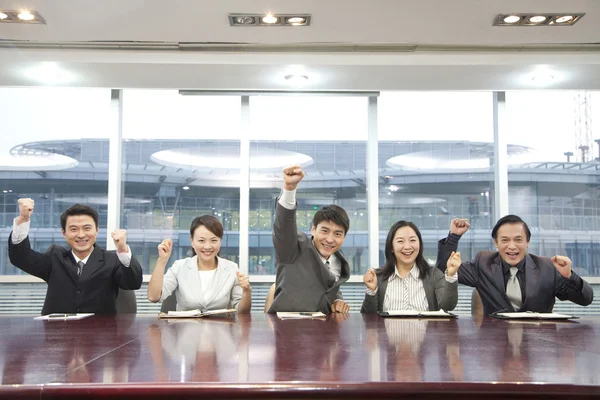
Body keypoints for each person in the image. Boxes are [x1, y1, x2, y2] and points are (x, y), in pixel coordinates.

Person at [436, 215, 594, 315]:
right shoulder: (483, 263)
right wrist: (454, 237)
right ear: (496, 243)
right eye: (505, 240)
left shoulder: (547, 267)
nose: (512, 246)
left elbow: (585, 299)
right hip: (494, 344)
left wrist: (569, 276)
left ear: (527, 243)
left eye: (518, 240)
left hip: (539, 345)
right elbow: (444, 270)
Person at [8, 198, 143, 315]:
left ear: (96, 231)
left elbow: (133, 282)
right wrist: (23, 220)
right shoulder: (55, 257)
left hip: (100, 337)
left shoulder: (112, 259)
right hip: (57, 336)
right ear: (64, 233)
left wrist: (123, 250)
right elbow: (21, 258)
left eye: (86, 228)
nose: (80, 235)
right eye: (73, 229)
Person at [267, 165, 351, 314]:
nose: (330, 239)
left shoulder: (338, 261)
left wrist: (337, 299)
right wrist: (289, 188)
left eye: (338, 234)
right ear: (313, 229)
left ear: (344, 236)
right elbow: (284, 227)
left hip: (323, 331)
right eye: (325, 231)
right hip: (286, 330)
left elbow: (326, 287)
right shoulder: (295, 247)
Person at [147, 215, 251, 313]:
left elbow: (242, 311)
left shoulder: (231, 268)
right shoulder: (179, 267)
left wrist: (247, 292)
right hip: (184, 329)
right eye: (201, 241)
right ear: (192, 241)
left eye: (214, 240)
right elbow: (153, 297)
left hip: (220, 329)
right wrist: (162, 260)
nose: (207, 246)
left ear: (220, 241)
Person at [361, 220, 459, 313]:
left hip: (426, 331)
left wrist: (451, 275)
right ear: (391, 247)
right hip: (387, 331)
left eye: (412, 240)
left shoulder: (434, 275)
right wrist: (371, 291)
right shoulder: (379, 277)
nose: (407, 246)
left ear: (419, 244)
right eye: (400, 241)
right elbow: (368, 318)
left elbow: (448, 306)